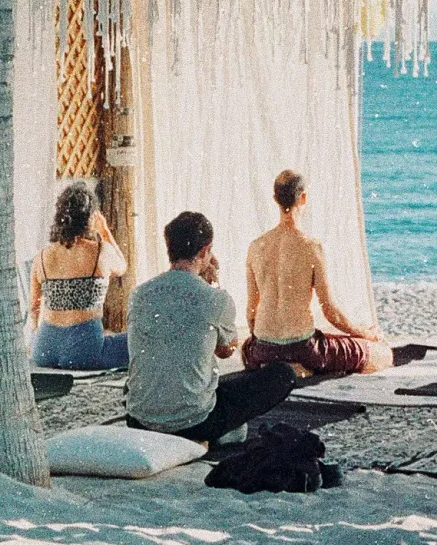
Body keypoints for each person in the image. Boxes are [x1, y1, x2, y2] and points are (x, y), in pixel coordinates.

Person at [126, 210, 295, 444]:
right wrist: (214, 285)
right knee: (283, 375)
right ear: (205, 251)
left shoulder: (139, 294)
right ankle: (214, 437)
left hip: (138, 419)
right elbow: (226, 351)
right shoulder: (216, 298)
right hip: (195, 423)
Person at [243, 170, 392, 376]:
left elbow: (251, 311)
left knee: (247, 350)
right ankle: (295, 366)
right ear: (303, 198)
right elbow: (330, 311)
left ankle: (278, 366)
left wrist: (267, 343)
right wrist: (364, 333)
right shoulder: (312, 247)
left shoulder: (255, 247)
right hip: (302, 348)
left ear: (275, 199)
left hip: (263, 350)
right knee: (382, 353)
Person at [30, 181, 130, 370]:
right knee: (136, 339)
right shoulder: (101, 251)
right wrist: (106, 232)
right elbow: (122, 266)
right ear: (90, 218)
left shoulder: (41, 256)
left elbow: (34, 306)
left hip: (43, 350)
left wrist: (37, 337)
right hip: (83, 352)